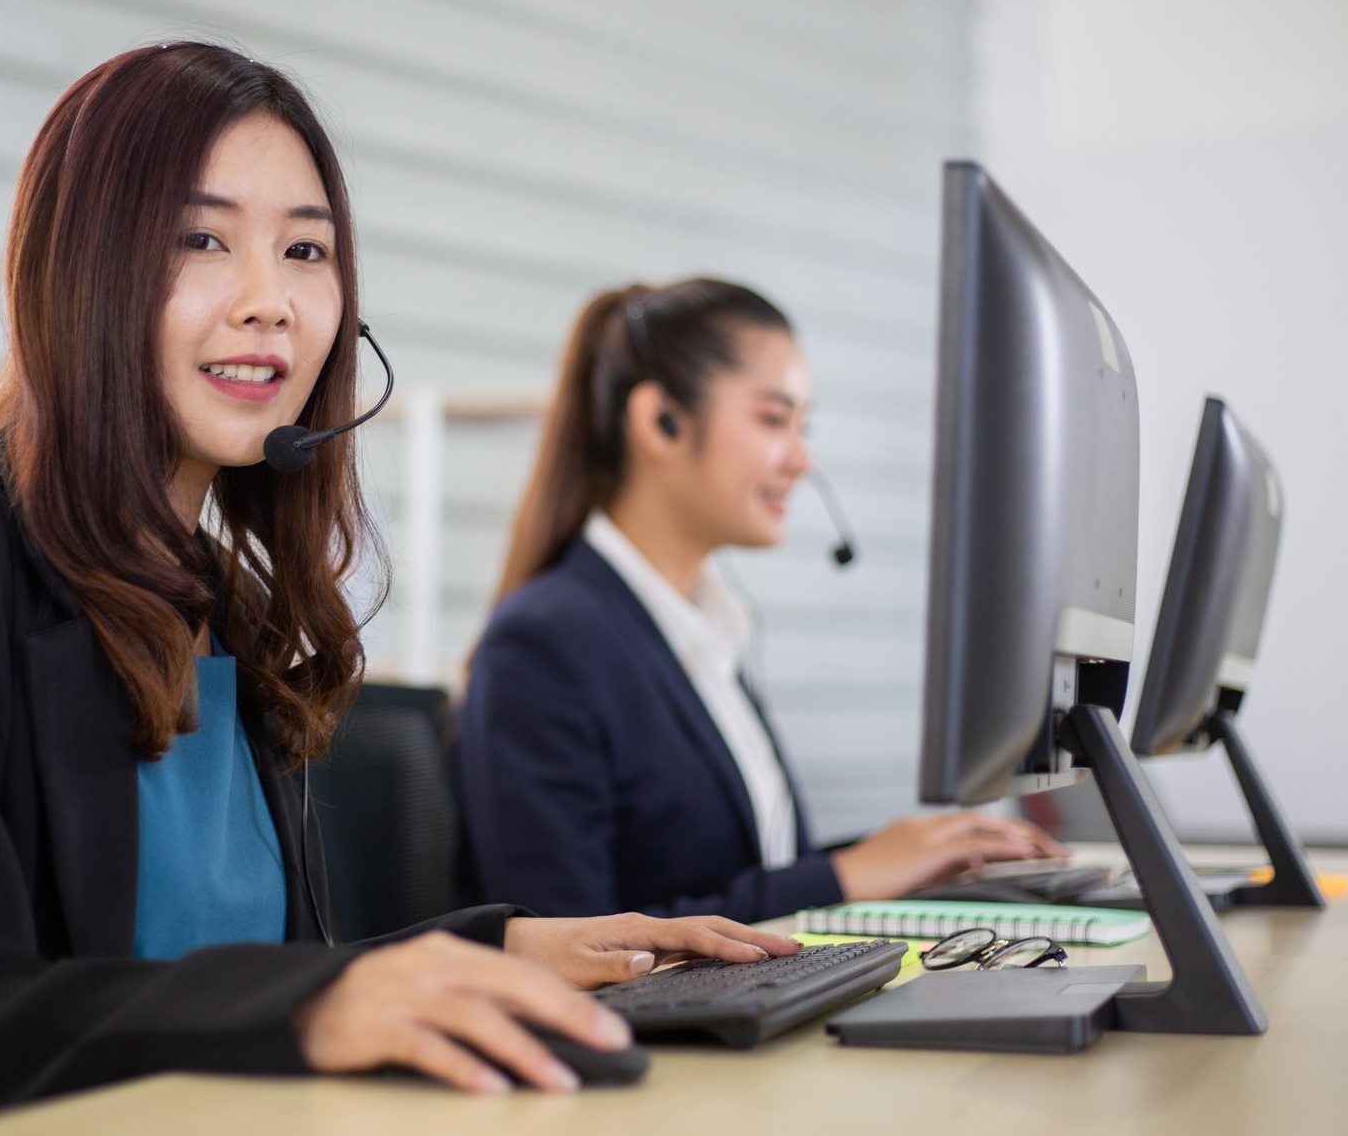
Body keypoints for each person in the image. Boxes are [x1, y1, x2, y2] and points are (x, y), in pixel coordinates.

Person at [0, 44, 796, 1135]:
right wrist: (318, 1000)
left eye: (304, 249)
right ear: (81, 269)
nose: (269, 302)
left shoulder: (228, 604)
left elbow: (250, 975)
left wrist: (496, 947)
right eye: (202, 239)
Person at [454, 280, 1064, 924]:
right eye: (774, 419)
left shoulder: (702, 630)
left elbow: (739, 880)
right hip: (641, 1027)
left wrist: (908, 858)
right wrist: (844, 876)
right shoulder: (545, 641)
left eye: (805, 426)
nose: (801, 459)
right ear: (660, 420)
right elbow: (563, 937)